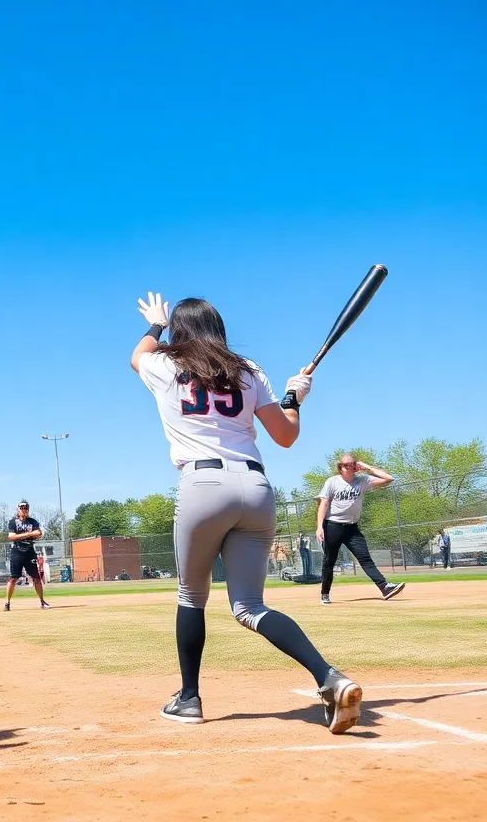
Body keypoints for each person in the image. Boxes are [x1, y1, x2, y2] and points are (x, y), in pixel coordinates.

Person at [131, 292, 361, 734]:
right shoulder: (249, 371)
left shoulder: (164, 365)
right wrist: (295, 396)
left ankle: (189, 699)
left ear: (180, 331)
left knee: (190, 596)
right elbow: (286, 435)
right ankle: (329, 677)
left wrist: (155, 325)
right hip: (256, 487)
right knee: (250, 606)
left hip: (202, 486)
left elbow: (137, 355)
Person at [316, 455, 405, 605]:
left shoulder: (362, 480)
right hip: (332, 525)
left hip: (352, 528)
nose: (349, 467)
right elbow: (323, 504)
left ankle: (385, 587)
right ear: (340, 468)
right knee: (329, 561)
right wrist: (319, 527)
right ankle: (325, 593)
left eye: (352, 464)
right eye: (345, 465)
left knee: (365, 558)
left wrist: (367, 467)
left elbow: (389, 479)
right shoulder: (332, 482)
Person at [4, 500, 49, 611]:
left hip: (29, 552)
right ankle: (7, 602)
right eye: (22, 508)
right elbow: (11, 536)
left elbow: (38, 533)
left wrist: (22, 535)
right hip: (17, 552)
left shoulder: (33, 521)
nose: (24, 510)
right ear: (18, 510)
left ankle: (42, 601)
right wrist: (29, 534)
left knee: (36, 578)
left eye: (26, 508)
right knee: (13, 578)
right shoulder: (13, 522)